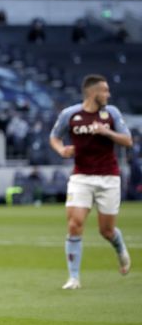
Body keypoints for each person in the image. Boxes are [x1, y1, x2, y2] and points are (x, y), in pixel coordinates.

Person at [49, 74, 133, 289]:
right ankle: (74, 278)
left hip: (109, 177)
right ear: (92, 93)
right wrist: (61, 150)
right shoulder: (70, 114)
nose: (108, 94)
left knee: (106, 231)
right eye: (105, 91)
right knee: (75, 224)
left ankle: (119, 246)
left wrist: (107, 132)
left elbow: (128, 141)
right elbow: (54, 136)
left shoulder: (111, 113)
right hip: (81, 177)